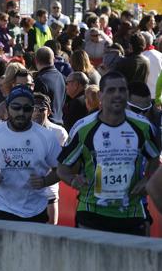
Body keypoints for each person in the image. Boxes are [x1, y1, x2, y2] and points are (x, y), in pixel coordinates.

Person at [57, 72, 160, 236]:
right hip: (92, 213)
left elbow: (155, 160)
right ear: (100, 95)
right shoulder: (83, 128)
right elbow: (62, 169)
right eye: (111, 90)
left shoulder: (144, 127)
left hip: (131, 213)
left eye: (122, 90)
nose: (117, 95)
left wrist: (148, 180)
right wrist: (73, 180)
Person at [0, 85, 61, 222]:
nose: (21, 113)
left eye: (27, 108)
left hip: (35, 212)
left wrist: (45, 181)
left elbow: (61, 169)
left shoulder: (47, 137)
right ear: (7, 108)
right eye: (16, 107)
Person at [32, 92, 68, 224]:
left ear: (49, 111)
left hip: (49, 191)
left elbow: (60, 164)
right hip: (27, 192)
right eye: (34, 109)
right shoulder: (20, 130)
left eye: (42, 109)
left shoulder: (59, 132)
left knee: (50, 230)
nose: (37, 113)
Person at [33, 46, 65, 125]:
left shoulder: (40, 81)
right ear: (53, 59)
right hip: (59, 123)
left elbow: (37, 109)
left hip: (45, 126)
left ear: (36, 61)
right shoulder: (61, 77)